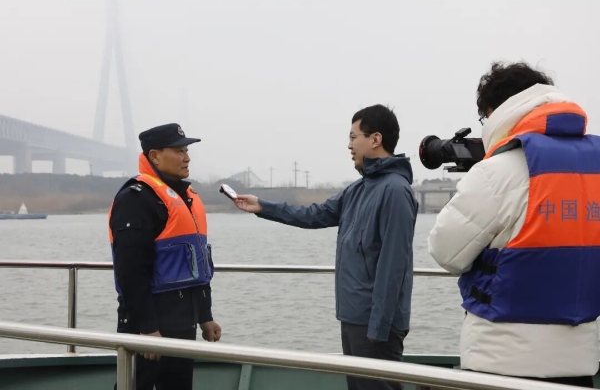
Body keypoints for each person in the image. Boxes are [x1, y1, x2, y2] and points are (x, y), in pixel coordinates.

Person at [427, 61, 600, 388]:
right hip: (580, 364)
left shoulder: (498, 171)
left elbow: (445, 252)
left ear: (495, 111)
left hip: (502, 363)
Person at [231, 104, 418, 390]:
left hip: (375, 325)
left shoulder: (395, 191)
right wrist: (263, 207)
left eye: (353, 137)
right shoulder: (357, 190)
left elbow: (394, 265)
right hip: (354, 317)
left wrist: (379, 328)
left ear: (376, 139)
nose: (349, 145)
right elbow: (314, 215)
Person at [109, 123, 222, 390]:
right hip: (149, 320)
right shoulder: (135, 199)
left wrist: (204, 316)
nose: (187, 158)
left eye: (187, 151)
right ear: (154, 156)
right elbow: (130, 271)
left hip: (183, 319)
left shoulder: (185, 197)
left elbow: (196, 265)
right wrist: (147, 328)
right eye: (179, 151)